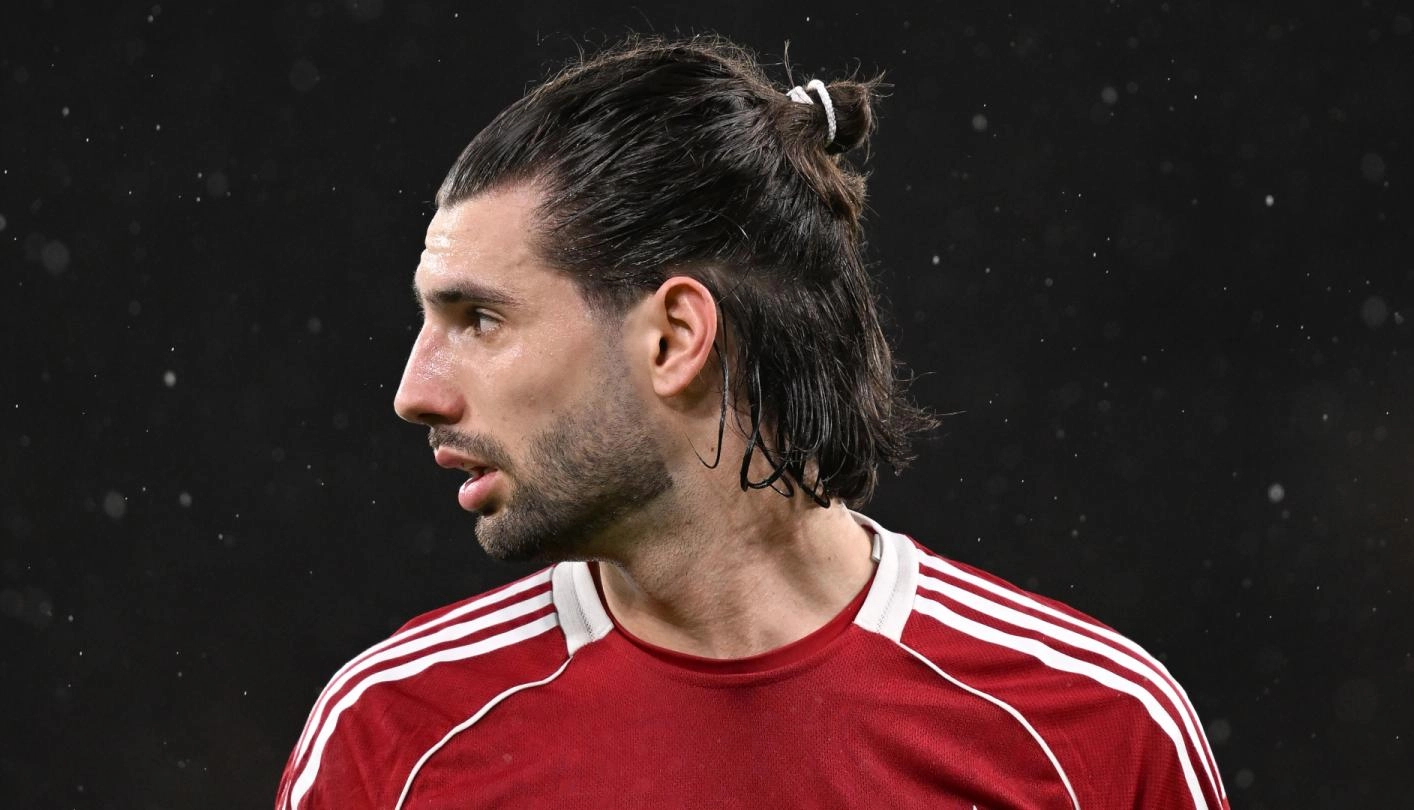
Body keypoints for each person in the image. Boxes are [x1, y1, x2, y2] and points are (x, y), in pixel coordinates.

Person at [274, 35, 1229, 810]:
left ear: (673, 338)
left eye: (479, 319)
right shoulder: (390, 739)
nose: (416, 391)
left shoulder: (1095, 733)